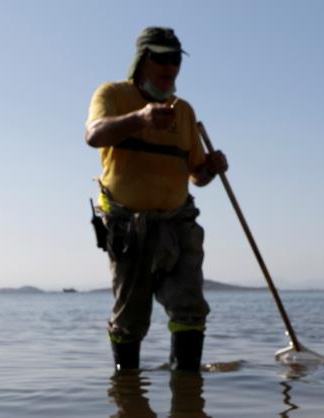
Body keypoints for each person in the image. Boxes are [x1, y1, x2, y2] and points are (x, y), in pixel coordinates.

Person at [85, 27, 228, 373]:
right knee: (130, 317)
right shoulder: (113, 95)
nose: (169, 67)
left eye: (175, 59)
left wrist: (211, 167)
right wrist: (140, 118)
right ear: (141, 61)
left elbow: (196, 176)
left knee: (190, 308)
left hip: (178, 223)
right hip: (128, 227)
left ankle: (189, 400)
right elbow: (93, 135)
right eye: (160, 58)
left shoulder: (185, 112)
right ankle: (127, 392)